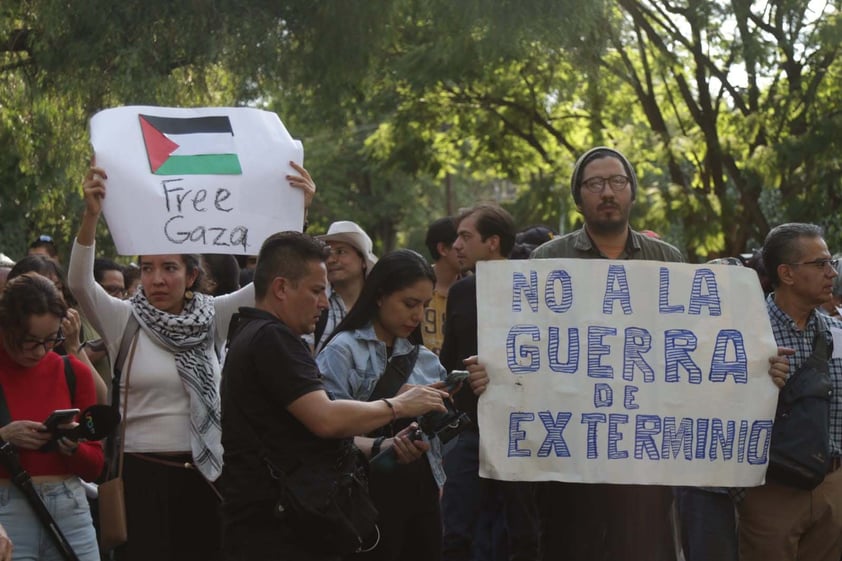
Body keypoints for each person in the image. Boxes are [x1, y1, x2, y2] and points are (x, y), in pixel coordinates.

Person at [68, 163, 316, 561]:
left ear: (191, 274)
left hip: (207, 476)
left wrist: (295, 216)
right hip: (139, 477)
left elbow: (268, 280)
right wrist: (91, 214)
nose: (157, 280)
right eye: (147, 269)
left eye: (169, 268)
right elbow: (79, 282)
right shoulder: (122, 319)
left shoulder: (214, 317)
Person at [220, 232, 455, 561]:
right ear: (281, 288)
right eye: (317, 291)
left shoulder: (257, 334)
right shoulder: (272, 339)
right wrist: (398, 405)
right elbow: (326, 419)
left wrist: (382, 445)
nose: (324, 303)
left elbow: (314, 434)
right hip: (275, 522)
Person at [530, 146, 684, 561]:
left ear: (632, 191)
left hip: (644, 453)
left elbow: (689, 349)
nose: (608, 192)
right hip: (572, 451)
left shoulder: (668, 260)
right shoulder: (546, 260)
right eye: (594, 184)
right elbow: (529, 342)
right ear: (579, 198)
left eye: (617, 181)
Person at [317, 249, 484, 561]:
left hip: (421, 496)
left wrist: (463, 396)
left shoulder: (426, 360)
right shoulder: (343, 351)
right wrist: (384, 436)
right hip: (362, 497)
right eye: (409, 304)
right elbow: (326, 430)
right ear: (379, 296)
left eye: (425, 304)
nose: (418, 315)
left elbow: (446, 441)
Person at [440, 203, 541, 561]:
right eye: (456, 238)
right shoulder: (460, 292)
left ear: (493, 242)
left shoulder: (533, 289)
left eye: (466, 237)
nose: (456, 246)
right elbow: (448, 361)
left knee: (522, 534)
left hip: (522, 431)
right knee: (456, 531)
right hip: (470, 430)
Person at [738, 223, 842, 561]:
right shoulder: (741, 335)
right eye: (820, 264)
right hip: (770, 492)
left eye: (832, 264)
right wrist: (753, 378)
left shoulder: (839, 332)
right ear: (787, 273)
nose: (831, 273)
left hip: (832, 488)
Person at [0, 272, 104, 561]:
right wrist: (4, 437)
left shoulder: (74, 372)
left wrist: (72, 445)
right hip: (7, 512)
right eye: (29, 341)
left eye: (51, 339)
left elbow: (95, 466)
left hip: (70, 507)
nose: (41, 351)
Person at [307, 221, 378, 354]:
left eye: (340, 252)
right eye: (327, 253)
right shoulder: (314, 305)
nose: (331, 260)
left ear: (363, 261)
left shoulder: (379, 307)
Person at [421, 217, 461, 355]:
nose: (465, 249)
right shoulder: (416, 289)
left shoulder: (473, 291)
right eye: (459, 242)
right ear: (443, 249)